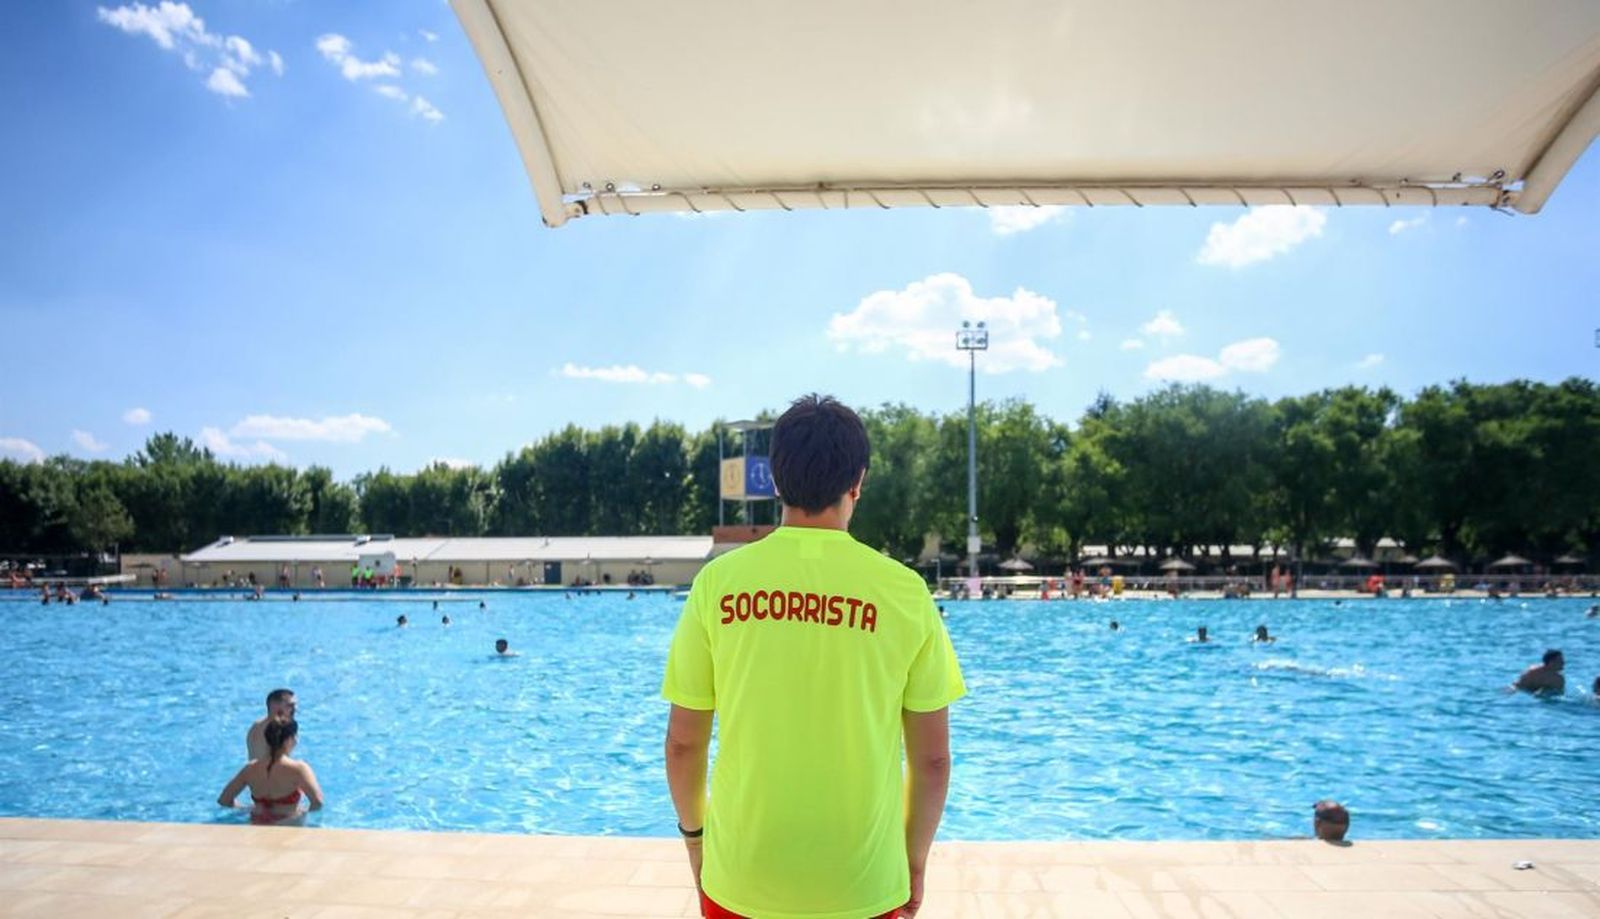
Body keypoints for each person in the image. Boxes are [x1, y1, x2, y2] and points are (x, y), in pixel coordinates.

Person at [662, 394, 964, 919]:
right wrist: (912, 861)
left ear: (776, 480)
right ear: (858, 481)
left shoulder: (718, 585)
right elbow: (933, 761)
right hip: (864, 883)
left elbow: (684, 746)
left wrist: (695, 840)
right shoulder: (905, 593)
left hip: (742, 878)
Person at [218, 718, 324, 825]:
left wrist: (245, 809)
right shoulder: (299, 769)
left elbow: (224, 800)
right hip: (288, 824)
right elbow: (317, 802)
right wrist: (302, 813)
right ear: (288, 740)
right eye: (295, 737)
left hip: (257, 824)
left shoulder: (250, 769)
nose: (296, 741)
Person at [246, 689, 297, 762]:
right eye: (290, 705)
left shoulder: (255, 727)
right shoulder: (275, 731)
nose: (295, 709)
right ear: (275, 707)